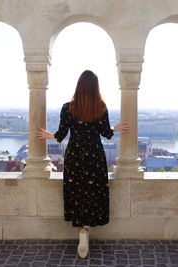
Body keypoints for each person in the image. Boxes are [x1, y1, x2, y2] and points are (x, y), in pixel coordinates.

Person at [36, 70, 129, 258]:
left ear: (79, 85)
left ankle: (82, 231)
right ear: (95, 87)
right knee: (93, 192)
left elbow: (61, 134)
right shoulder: (101, 107)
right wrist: (115, 128)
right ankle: (86, 230)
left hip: (75, 156)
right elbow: (105, 133)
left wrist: (48, 135)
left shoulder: (67, 108)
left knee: (77, 191)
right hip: (95, 156)